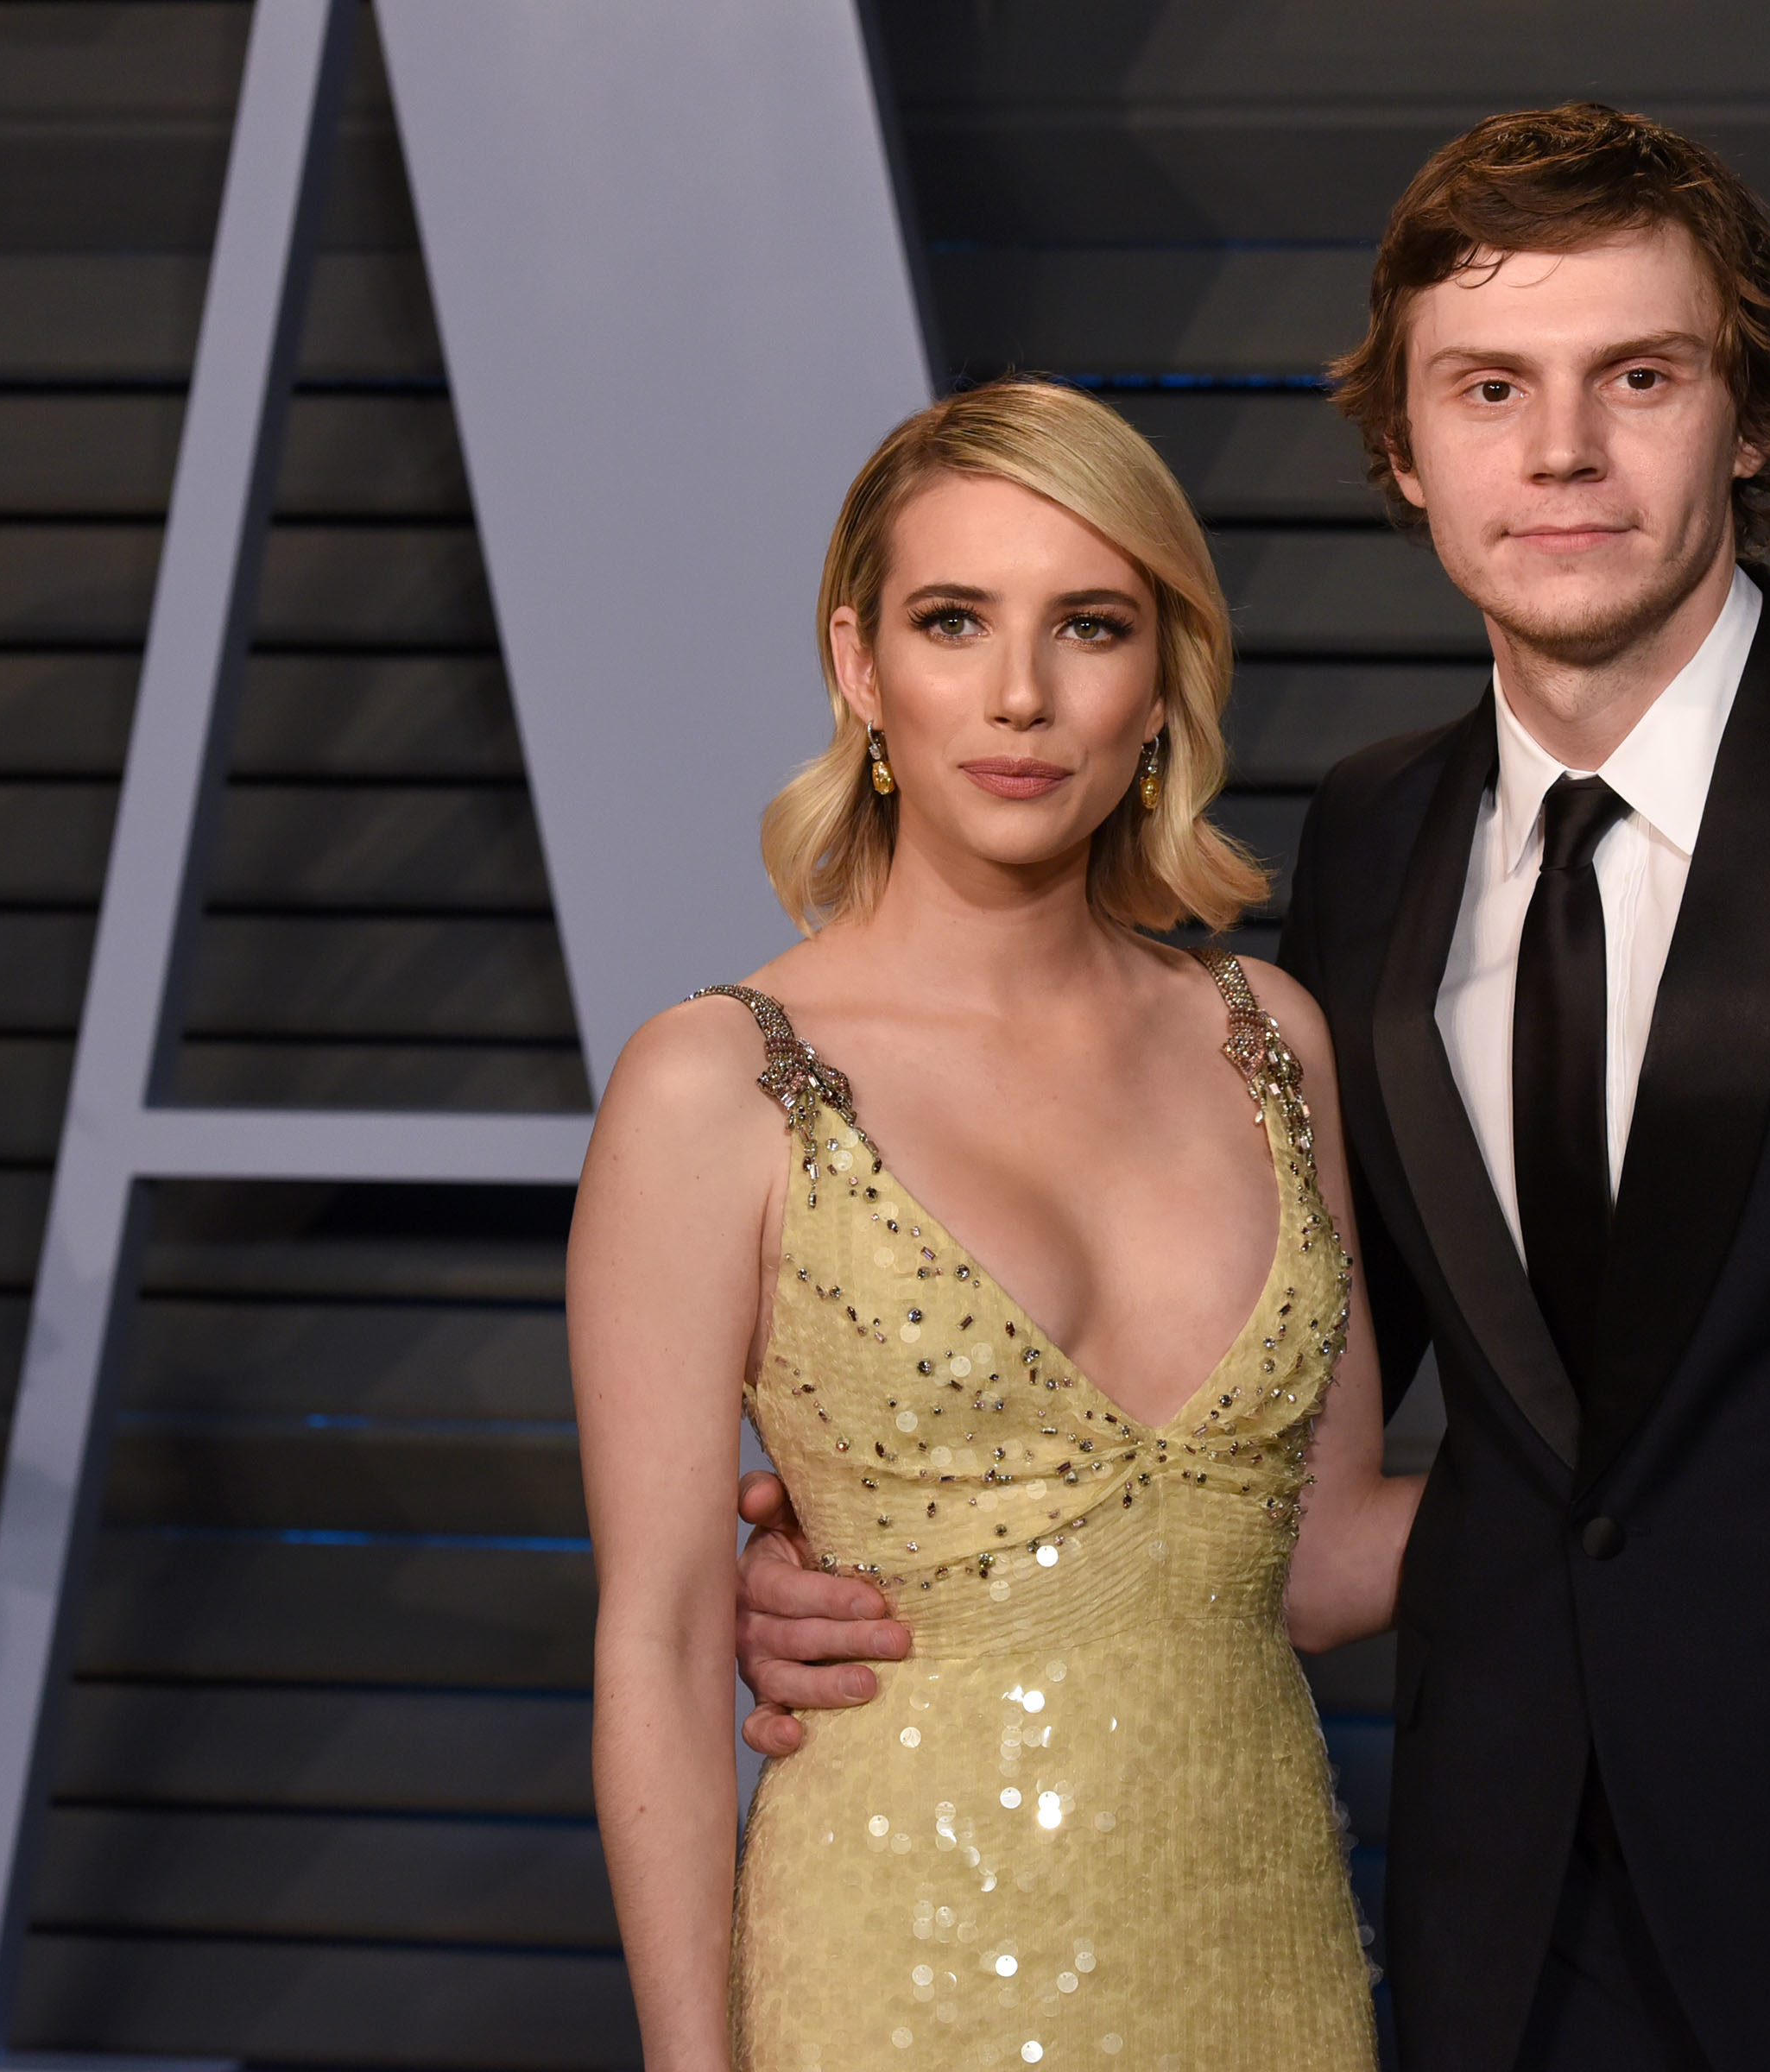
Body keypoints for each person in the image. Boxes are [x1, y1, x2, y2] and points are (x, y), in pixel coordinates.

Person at [736, 105, 1770, 2071]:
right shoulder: (1381, 838)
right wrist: (869, 1552)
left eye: (1635, 378)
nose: (1559, 452)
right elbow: (1261, 1418)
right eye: (1489, 389)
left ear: (1743, 418)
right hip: (1505, 1945)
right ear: (1406, 451)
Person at [570, 378, 1409, 2070]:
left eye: (1089, 626)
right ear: (862, 665)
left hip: (1270, 1975)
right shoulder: (713, 1084)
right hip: (894, 1973)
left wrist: (1689, 1452)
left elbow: (1323, 1567)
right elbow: (659, 1637)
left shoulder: (1272, 1039)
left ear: (1161, 679)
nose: (1020, 696)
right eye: (955, 621)